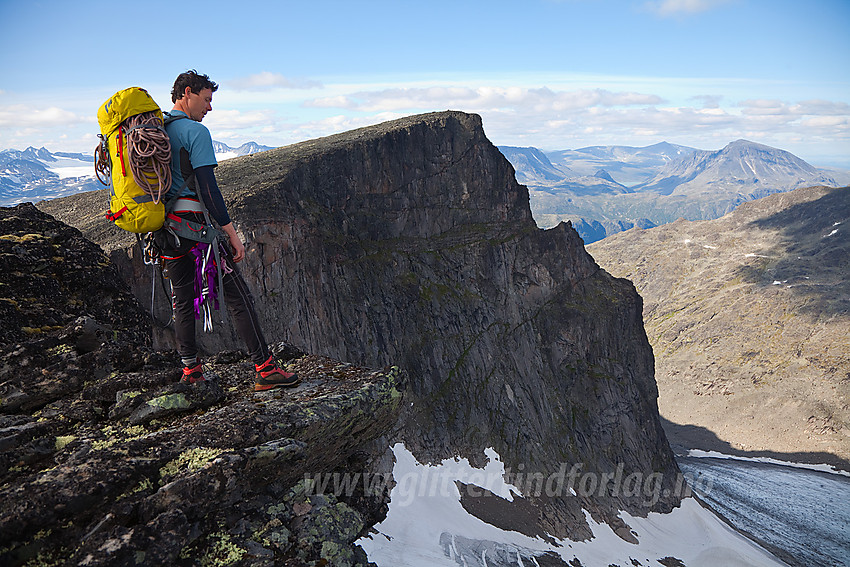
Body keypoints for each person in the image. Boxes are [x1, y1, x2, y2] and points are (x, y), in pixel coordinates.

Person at [157, 69, 298, 391]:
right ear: (187, 93)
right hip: (195, 231)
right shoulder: (194, 132)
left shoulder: (159, 130)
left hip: (165, 231)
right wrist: (231, 233)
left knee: (182, 300)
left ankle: (191, 371)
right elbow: (209, 190)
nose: (209, 108)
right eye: (206, 100)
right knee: (238, 297)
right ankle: (266, 368)